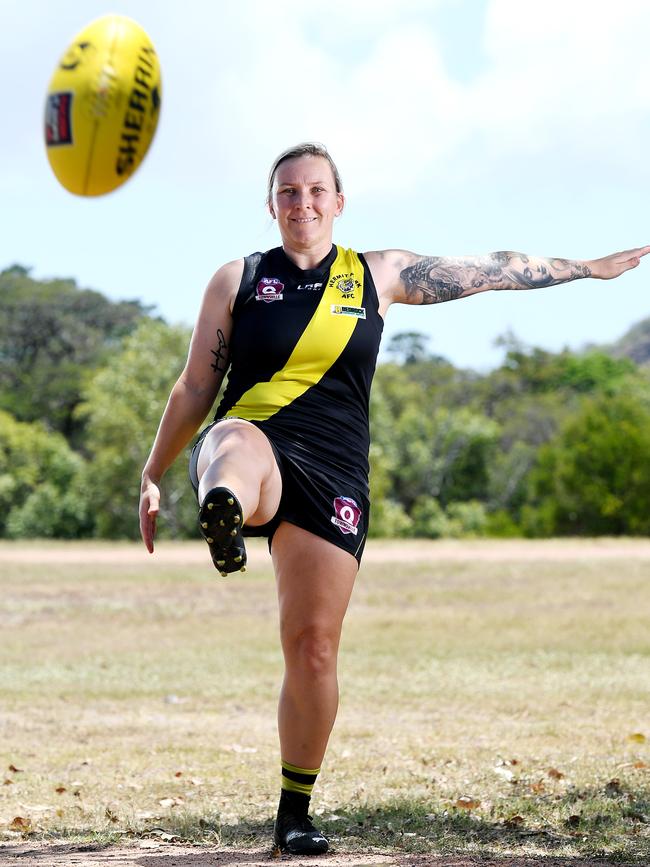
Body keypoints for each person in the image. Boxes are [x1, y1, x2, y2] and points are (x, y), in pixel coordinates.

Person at [139, 141, 649, 855]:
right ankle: (222, 510)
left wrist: (584, 269)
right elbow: (195, 384)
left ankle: (294, 813)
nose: (303, 203)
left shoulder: (378, 274)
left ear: (339, 202)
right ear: (271, 205)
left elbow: (492, 270)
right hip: (257, 441)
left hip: (336, 473)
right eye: (288, 192)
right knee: (232, 442)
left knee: (313, 648)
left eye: (316, 190)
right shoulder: (240, 280)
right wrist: (155, 469)